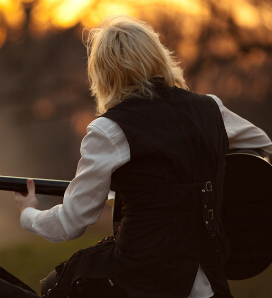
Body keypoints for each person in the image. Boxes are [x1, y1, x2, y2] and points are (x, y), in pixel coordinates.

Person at [14, 16, 272, 298]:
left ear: (104, 72)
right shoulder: (211, 109)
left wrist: (29, 214)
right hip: (209, 281)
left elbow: (72, 222)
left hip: (140, 280)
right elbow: (264, 146)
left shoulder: (108, 130)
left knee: (53, 286)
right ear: (158, 57)